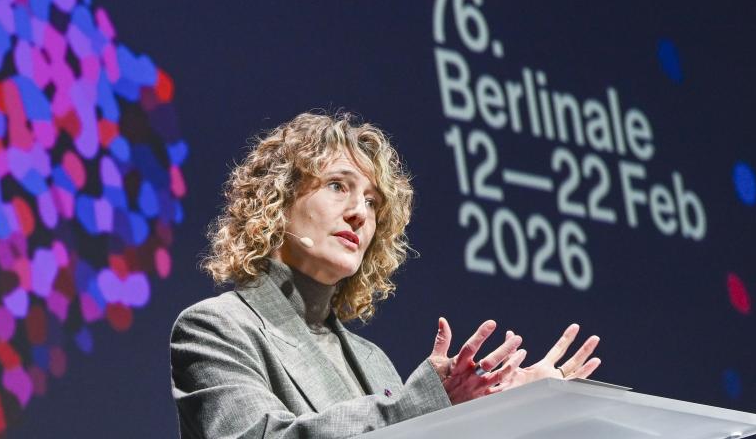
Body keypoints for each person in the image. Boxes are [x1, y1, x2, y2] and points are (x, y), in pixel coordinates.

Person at [170, 111, 601, 438]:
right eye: (337, 186)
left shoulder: (373, 361)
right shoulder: (217, 328)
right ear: (277, 201)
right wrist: (426, 402)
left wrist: (515, 409)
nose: (359, 213)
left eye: (373, 202)